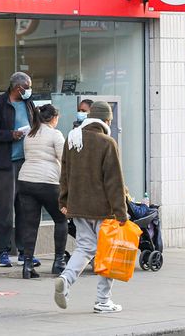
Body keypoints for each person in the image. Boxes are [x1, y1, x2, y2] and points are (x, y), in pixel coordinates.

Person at [54, 101, 128, 314]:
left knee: (85, 248)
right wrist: (121, 212)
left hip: (78, 206)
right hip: (103, 209)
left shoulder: (72, 139)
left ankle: (65, 280)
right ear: (106, 120)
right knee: (108, 253)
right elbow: (114, 181)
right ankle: (103, 301)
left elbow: (64, 175)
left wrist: (64, 202)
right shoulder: (107, 143)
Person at [0, 72, 39, 268]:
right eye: (27, 86)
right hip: (6, 163)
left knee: (25, 207)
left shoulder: (29, 103)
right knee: (4, 208)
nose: (29, 90)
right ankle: (3, 251)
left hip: (26, 162)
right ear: (18, 87)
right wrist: (9, 135)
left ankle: (24, 251)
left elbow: (36, 124)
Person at [17, 104, 67, 279]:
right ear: (53, 118)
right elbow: (64, 160)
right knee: (61, 219)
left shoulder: (30, 134)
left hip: (25, 180)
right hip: (48, 182)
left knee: (30, 224)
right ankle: (59, 262)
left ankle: (28, 265)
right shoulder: (55, 134)